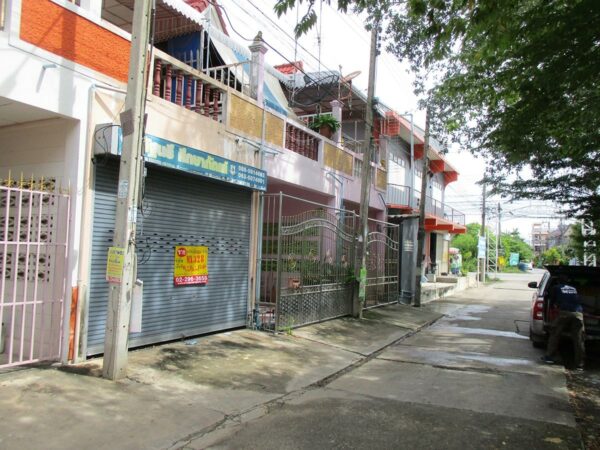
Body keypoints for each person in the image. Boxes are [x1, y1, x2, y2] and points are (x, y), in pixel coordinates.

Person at [541, 275, 585, 369]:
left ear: (558, 282)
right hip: (578, 314)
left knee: (555, 334)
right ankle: (580, 364)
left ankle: (549, 357)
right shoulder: (573, 288)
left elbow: (552, 301)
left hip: (564, 313)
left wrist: (553, 309)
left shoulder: (556, 287)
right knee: (578, 339)